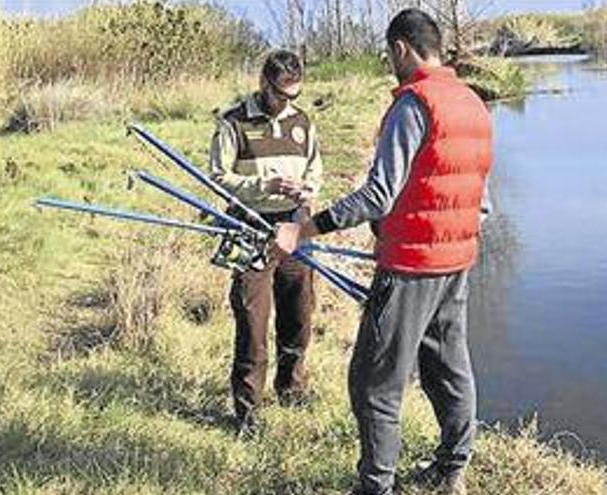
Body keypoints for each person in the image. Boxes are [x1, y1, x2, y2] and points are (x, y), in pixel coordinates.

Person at [274, 9, 493, 495]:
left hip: (412, 268)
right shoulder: (473, 102)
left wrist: (305, 230)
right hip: (457, 264)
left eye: (388, 53)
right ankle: (452, 470)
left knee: (375, 384)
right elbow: (483, 202)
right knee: (450, 369)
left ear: (401, 49)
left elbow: (378, 195)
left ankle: (375, 486)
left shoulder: (414, 104)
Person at [210, 49, 323, 433]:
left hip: (295, 228)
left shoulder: (303, 122)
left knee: (299, 314)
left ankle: (291, 387)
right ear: (263, 83)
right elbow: (216, 178)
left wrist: (306, 191)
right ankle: (247, 411)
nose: (287, 104)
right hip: (250, 231)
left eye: (295, 96)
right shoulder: (233, 123)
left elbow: (315, 171)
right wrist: (264, 186)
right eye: (281, 95)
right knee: (253, 321)